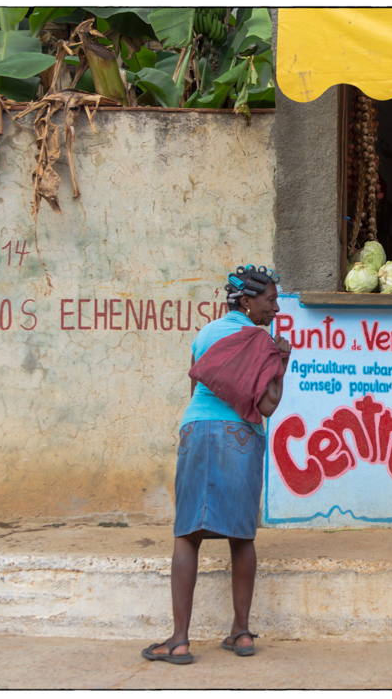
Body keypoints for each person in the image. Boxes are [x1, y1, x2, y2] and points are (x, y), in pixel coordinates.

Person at [142, 265, 291, 664]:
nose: (275, 308)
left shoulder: (204, 335)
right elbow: (267, 406)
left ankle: (179, 641)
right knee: (241, 537)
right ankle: (241, 634)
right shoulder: (261, 342)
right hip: (240, 437)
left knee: (187, 535)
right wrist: (283, 361)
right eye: (270, 300)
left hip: (198, 432)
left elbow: (197, 390)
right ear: (246, 301)